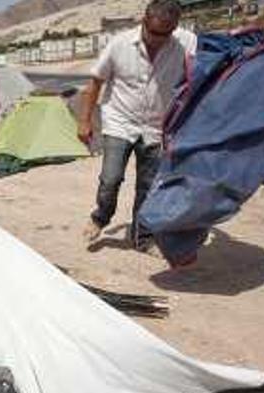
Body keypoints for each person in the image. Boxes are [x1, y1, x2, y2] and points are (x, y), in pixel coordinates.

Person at [77, 0, 196, 251]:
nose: (158, 40)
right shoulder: (119, 44)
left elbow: (199, 77)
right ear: (144, 21)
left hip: (155, 127)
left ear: (175, 29)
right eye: (153, 33)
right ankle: (101, 216)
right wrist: (85, 120)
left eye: (166, 34)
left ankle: (143, 238)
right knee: (110, 179)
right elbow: (95, 81)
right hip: (119, 122)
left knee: (148, 186)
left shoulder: (185, 44)